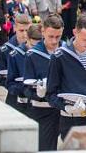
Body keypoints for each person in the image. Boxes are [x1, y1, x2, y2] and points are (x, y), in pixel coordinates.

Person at [23, 16, 63, 151]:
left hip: (65, 109)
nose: (54, 41)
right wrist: (38, 93)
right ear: (43, 31)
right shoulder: (32, 55)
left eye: (58, 36)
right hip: (43, 109)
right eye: (51, 36)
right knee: (45, 148)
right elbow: (26, 88)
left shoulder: (67, 51)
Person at [7, 24, 42, 115]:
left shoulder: (44, 54)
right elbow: (10, 84)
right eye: (33, 46)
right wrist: (25, 88)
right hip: (22, 104)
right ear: (27, 39)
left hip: (41, 106)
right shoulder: (15, 55)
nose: (36, 50)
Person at [0, 14, 31, 88]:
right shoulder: (6, 49)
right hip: (15, 94)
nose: (25, 34)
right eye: (21, 30)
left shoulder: (37, 46)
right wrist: (13, 85)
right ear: (15, 28)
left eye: (27, 30)